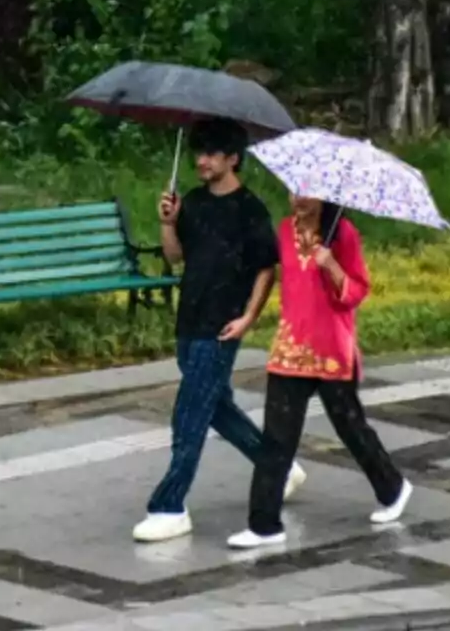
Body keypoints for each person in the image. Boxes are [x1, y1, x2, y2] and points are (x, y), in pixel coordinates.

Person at [133, 117, 307, 543]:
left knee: (190, 413)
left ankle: (169, 505)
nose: (202, 160)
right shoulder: (191, 201)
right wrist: (168, 222)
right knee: (214, 405)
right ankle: (277, 465)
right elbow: (175, 258)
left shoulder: (250, 210)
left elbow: (267, 269)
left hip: (222, 323)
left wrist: (249, 317)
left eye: (211, 153)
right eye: (199, 152)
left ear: (233, 159)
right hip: (189, 318)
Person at [226, 196, 412, 549]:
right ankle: (264, 524)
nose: (297, 199)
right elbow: (268, 271)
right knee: (277, 438)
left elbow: (356, 291)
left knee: (351, 428)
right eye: (293, 190)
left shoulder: (344, 234)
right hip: (290, 349)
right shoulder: (284, 230)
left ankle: (393, 488)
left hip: (331, 349)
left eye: (306, 192)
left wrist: (332, 266)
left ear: (324, 196)